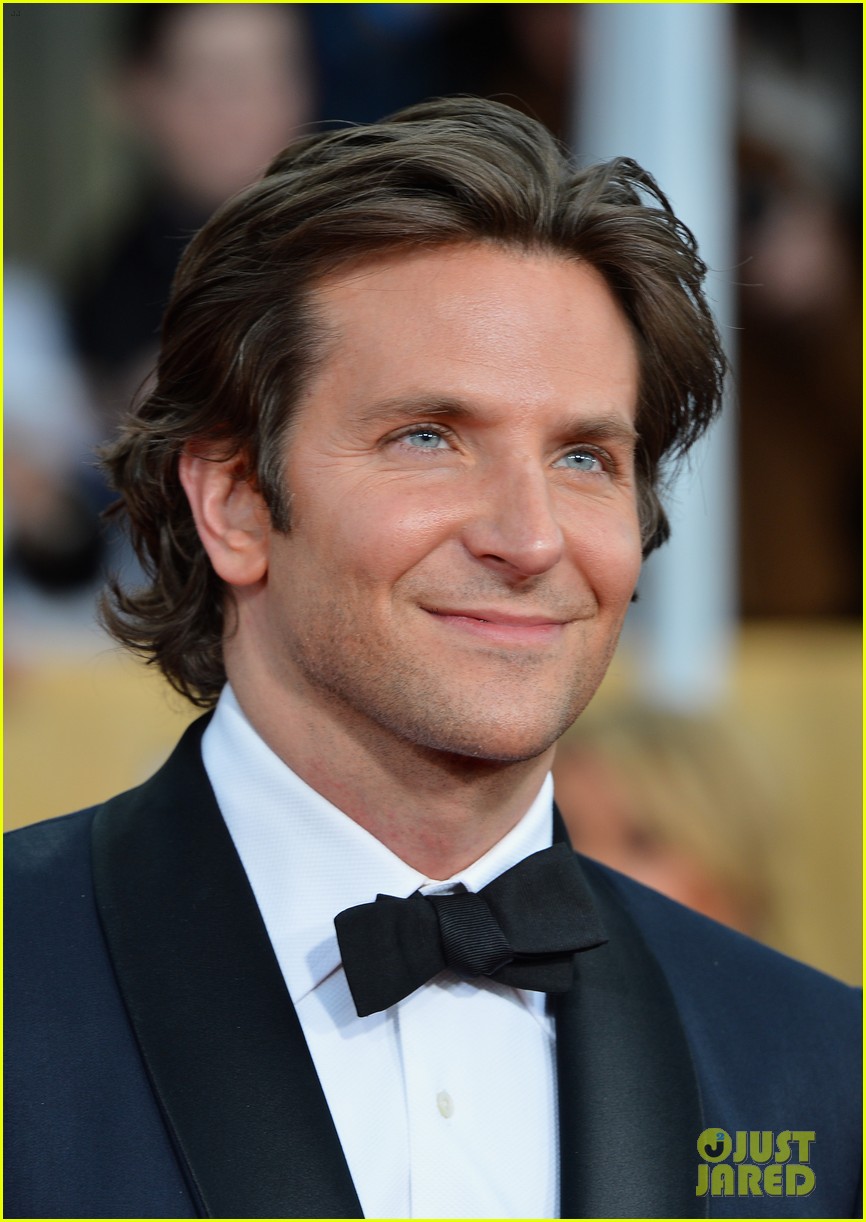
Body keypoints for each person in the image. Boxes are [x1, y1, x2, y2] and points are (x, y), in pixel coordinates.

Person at [5, 98, 860, 1220]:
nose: (530, 538)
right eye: (428, 437)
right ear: (236, 503)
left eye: (584, 457)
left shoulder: (817, 1071)